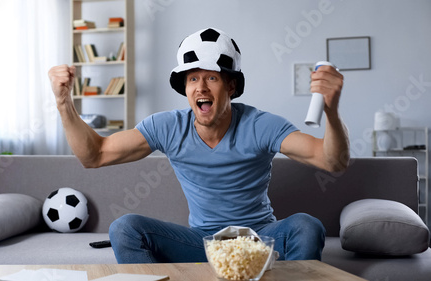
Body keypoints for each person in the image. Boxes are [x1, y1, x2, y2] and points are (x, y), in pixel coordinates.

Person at [48, 27, 349, 263]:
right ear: (186, 88)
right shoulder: (167, 126)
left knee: (306, 226)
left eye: (211, 78)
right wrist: (64, 104)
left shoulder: (261, 125)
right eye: (192, 79)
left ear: (231, 86)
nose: (201, 87)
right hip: (204, 243)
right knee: (124, 228)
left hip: (260, 240)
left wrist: (331, 112)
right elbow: (94, 155)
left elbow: (331, 161)